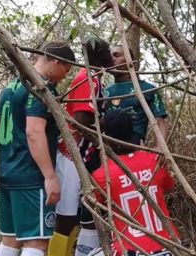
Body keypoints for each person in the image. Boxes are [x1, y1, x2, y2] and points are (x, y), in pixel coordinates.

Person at [0, 41, 76, 256]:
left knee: (10, 241)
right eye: (65, 71)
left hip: (7, 173)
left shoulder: (12, 86)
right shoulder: (41, 88)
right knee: (36, 243)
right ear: (55, 63)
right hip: (30, 176)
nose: (64, 77)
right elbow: (34, 131)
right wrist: (50, 176)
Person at [47, 37, 113, 256]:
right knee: (65, 219)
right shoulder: (88, 77)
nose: (112, 57)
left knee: (79, 216)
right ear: (99, 55)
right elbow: (82, 119)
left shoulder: (94, 78)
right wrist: (108, 122)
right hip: (72, 153)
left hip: (82, 153)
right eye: (108, 52)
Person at [90, 109, 179, 256]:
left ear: (105, 139)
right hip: (169, 248)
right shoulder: (155, 160)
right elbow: (169, 186)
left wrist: (103, 162)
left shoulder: (102, 174)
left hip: (129, 251)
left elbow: (96, 203)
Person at [104, 45, 167, 149]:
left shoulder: (147, 89)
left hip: (136, 148)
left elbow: (159, 122)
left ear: (130, 61)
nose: (111, 59)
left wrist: (160, 148)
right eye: (109, 56)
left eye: (116, 55)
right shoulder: (105, 91)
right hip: (109, 150)